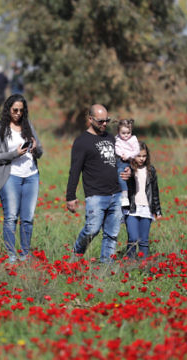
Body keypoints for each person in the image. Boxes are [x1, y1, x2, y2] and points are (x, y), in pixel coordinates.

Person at [66, 104, 131, 264]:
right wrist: (70, 196)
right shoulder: (82, 142)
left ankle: (105, 267)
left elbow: (118, 162)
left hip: (115, 194)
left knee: (112, 234)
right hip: (95, 195)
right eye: (101, 121)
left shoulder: (110, 138)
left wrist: (127, 170)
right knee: (92, 229)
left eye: (107, 121)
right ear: (90, 119)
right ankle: (76, 255)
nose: (104, 124)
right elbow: (75, 170)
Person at [0, 94, 43, 263]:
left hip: (31, 176)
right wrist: (15, 154)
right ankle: (11, 255)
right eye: (15, 110)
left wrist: (35, 148)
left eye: (21, 110)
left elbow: (40, 152)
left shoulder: (28, 126)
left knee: (28, 218)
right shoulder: (0, 128)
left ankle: (25, 254)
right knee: (11, 216)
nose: (18, 113)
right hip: (10, 176)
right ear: (8, 110)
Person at [123, 142, 162, 259]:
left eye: (144, 156)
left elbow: (154, 191)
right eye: (138, 156)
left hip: (146, 209)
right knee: (133, 238)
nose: (141, 159)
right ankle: (130, 263)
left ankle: (144, 264)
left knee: (144, 240)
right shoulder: (128, 169)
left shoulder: (150, 170)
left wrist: (158, 210)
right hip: (132, 209)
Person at [115, 119, 140, 206]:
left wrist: (128, 155)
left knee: (120, 174)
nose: (126, 135)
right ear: (118, 132)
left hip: (127, 161)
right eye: (123, 133)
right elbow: (116, 147)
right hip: (119, 158)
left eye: (128, 133)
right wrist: (121, 153)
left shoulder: (133, 139)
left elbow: (136, 150)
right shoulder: (117, 138)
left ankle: (125, 196)